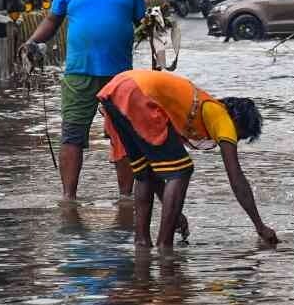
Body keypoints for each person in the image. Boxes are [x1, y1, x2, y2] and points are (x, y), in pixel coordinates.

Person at [23, 0, 146, 203]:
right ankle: (69, 198)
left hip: (119, 75)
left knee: (123, 136)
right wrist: (32, 42)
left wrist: (158, 37)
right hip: (79, 72)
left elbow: (144, 23)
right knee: (73, 134)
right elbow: (53, 20)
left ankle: (126, 198)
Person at [96, 69, 278, 249]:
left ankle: (142, 242)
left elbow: (157, 174)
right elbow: (236, 178)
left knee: (146, 172)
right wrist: (260, 226)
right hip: (138, 92)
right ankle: (164, 245)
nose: (234, 140)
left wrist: (175, 214)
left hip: (117, 88)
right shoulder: (223, 118)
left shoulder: (192, 109)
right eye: (240, 136)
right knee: (182, 171)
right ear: (238, 122)